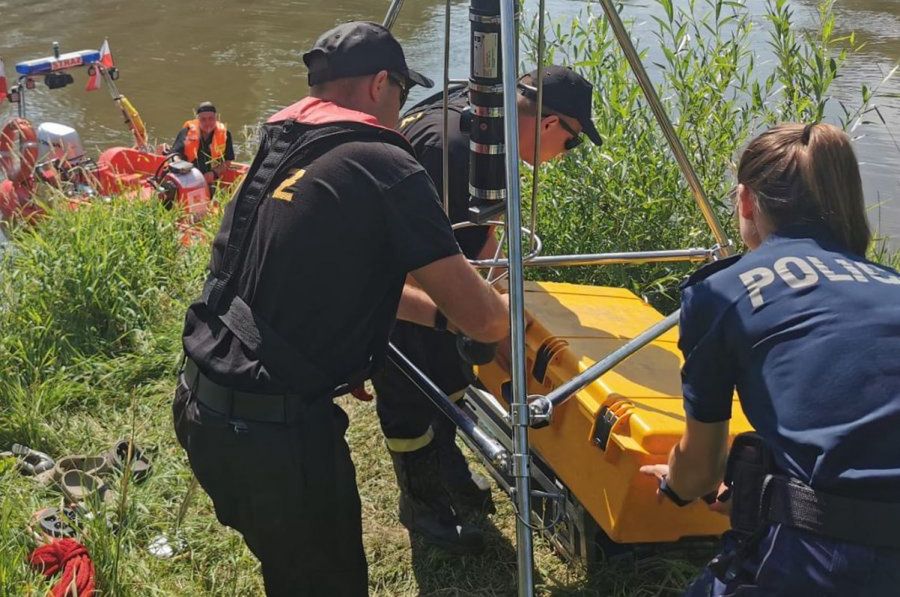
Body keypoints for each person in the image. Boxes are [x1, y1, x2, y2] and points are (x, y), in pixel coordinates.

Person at [172, 21, 510, 596]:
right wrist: (500, 310)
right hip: (273, 439)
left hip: (202, 410)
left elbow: (316, 280)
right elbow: (486, 320)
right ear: (382, 83)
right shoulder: (382, 162)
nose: (401, 112)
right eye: (402, 94)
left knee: (289, 568)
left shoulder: (282, 145)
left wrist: (429, 317)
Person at [639, 123, 900, 595]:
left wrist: (678, 487)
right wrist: (765, 493)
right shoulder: (889, 283)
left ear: (745, 201)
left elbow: (701, 467)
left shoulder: (721, 291)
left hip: (830, 560)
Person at [372, 65, 603, 553]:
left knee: (452, 379)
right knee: (412, 402)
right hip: (403, 297)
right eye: (573, 142)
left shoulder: (480, 125)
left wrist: (495, 294)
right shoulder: (454, 150)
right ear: (547, 124)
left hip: (441, 286)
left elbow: (480, 229)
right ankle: (423, 507)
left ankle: (448, 468)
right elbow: (400, 256)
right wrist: (469, 311)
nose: (565, 156)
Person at [170, 101, 235, 185]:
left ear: (216, 118)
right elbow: (174, 154)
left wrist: (214, 173)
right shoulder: (186, 132)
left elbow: (228, 160)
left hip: (211, 178)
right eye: (203, 119)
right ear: (198, 120)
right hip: (187, 177)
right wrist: (180, 166)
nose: (207, 123)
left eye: (211, 118)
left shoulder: (225, 134)